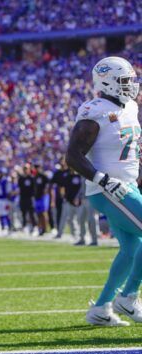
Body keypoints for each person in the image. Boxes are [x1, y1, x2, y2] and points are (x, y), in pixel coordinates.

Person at [65, 56, 141, 326]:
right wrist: (104, 179)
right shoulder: (94, 111)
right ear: (107, 82)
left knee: (132, 248)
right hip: (108, 189)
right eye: (124, 80)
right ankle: (129, 297)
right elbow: (73, 156)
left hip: (127, 185)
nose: (131, 85)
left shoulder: (129, 106)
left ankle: (100, 308)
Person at [56, 167, 82, 241]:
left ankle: (81, 234)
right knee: (70, 219)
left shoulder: (79, 176)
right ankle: (75, 234)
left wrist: (78, 197)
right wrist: (64, 196)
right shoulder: (67, 176)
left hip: (77, 201)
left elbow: (81, 188)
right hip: (68, 200)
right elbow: (63, 187)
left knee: (80, 219)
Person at [17, 163, 36, 234]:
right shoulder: (21, 178)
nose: (25, 170)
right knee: (23, 213)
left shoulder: (32, 178)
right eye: (24, 169)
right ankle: (24, 226)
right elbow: (19, 188)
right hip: (23, 197)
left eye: (27, 168)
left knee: (31, 213)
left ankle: (34, 227)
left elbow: (34, 189)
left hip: (30, 198)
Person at [32, 163, 50, 235]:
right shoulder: (35, 177)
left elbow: (48, 185)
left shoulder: (43, 176)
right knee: (38, 213)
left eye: (37, 167)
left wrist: (45, 191)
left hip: (43, 196)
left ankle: (45, 228)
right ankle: (40, 228)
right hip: (37, 197)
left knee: (43, 213)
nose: (36, 169)